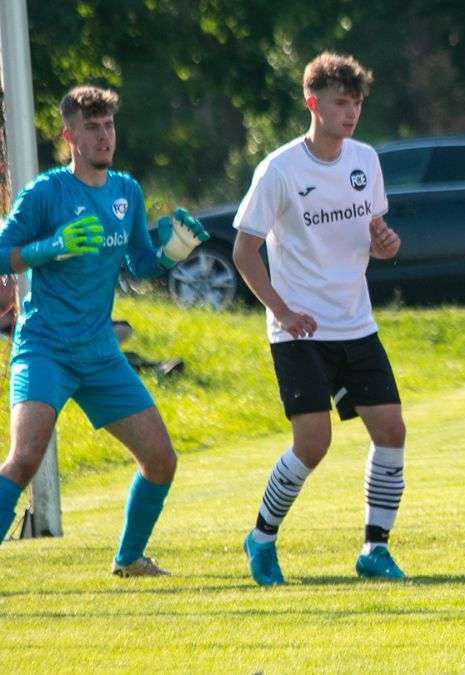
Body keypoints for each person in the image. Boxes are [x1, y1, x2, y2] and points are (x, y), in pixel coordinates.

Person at [0, 85, 209, 576]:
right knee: (25, 457)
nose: (103, 136)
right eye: (91, 127)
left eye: (109, 125)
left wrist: (170, 255)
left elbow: (138, 265)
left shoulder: (126, 192)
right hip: (45, 348)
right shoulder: (46, 192)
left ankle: (129, 559)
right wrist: (47, 248)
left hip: (99, 353)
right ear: (69, 135)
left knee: (161, 461)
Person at [233, 52, 406, 586]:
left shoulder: (366, 160)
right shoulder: (280, 168)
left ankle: (374, 549)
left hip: (356, 324)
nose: (350, 112)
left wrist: (387, 246)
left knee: (391, 431)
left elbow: (376, 241)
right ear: (313, 103)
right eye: (340, 102)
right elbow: (244, 250)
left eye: (356, 103)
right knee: (313, 443)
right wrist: (282, 310)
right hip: (299, 331)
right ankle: (261, 539)